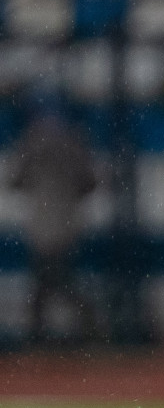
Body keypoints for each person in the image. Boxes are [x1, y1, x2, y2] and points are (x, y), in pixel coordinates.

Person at [9, 96, 100, 344]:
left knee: (52, 282)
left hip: (42, 223)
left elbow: (15, 181)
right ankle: (84, 331)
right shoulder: (73, 141)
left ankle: (42, 337)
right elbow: (90, 183)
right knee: (56, 281)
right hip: (66, 222)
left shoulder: (31, 141)